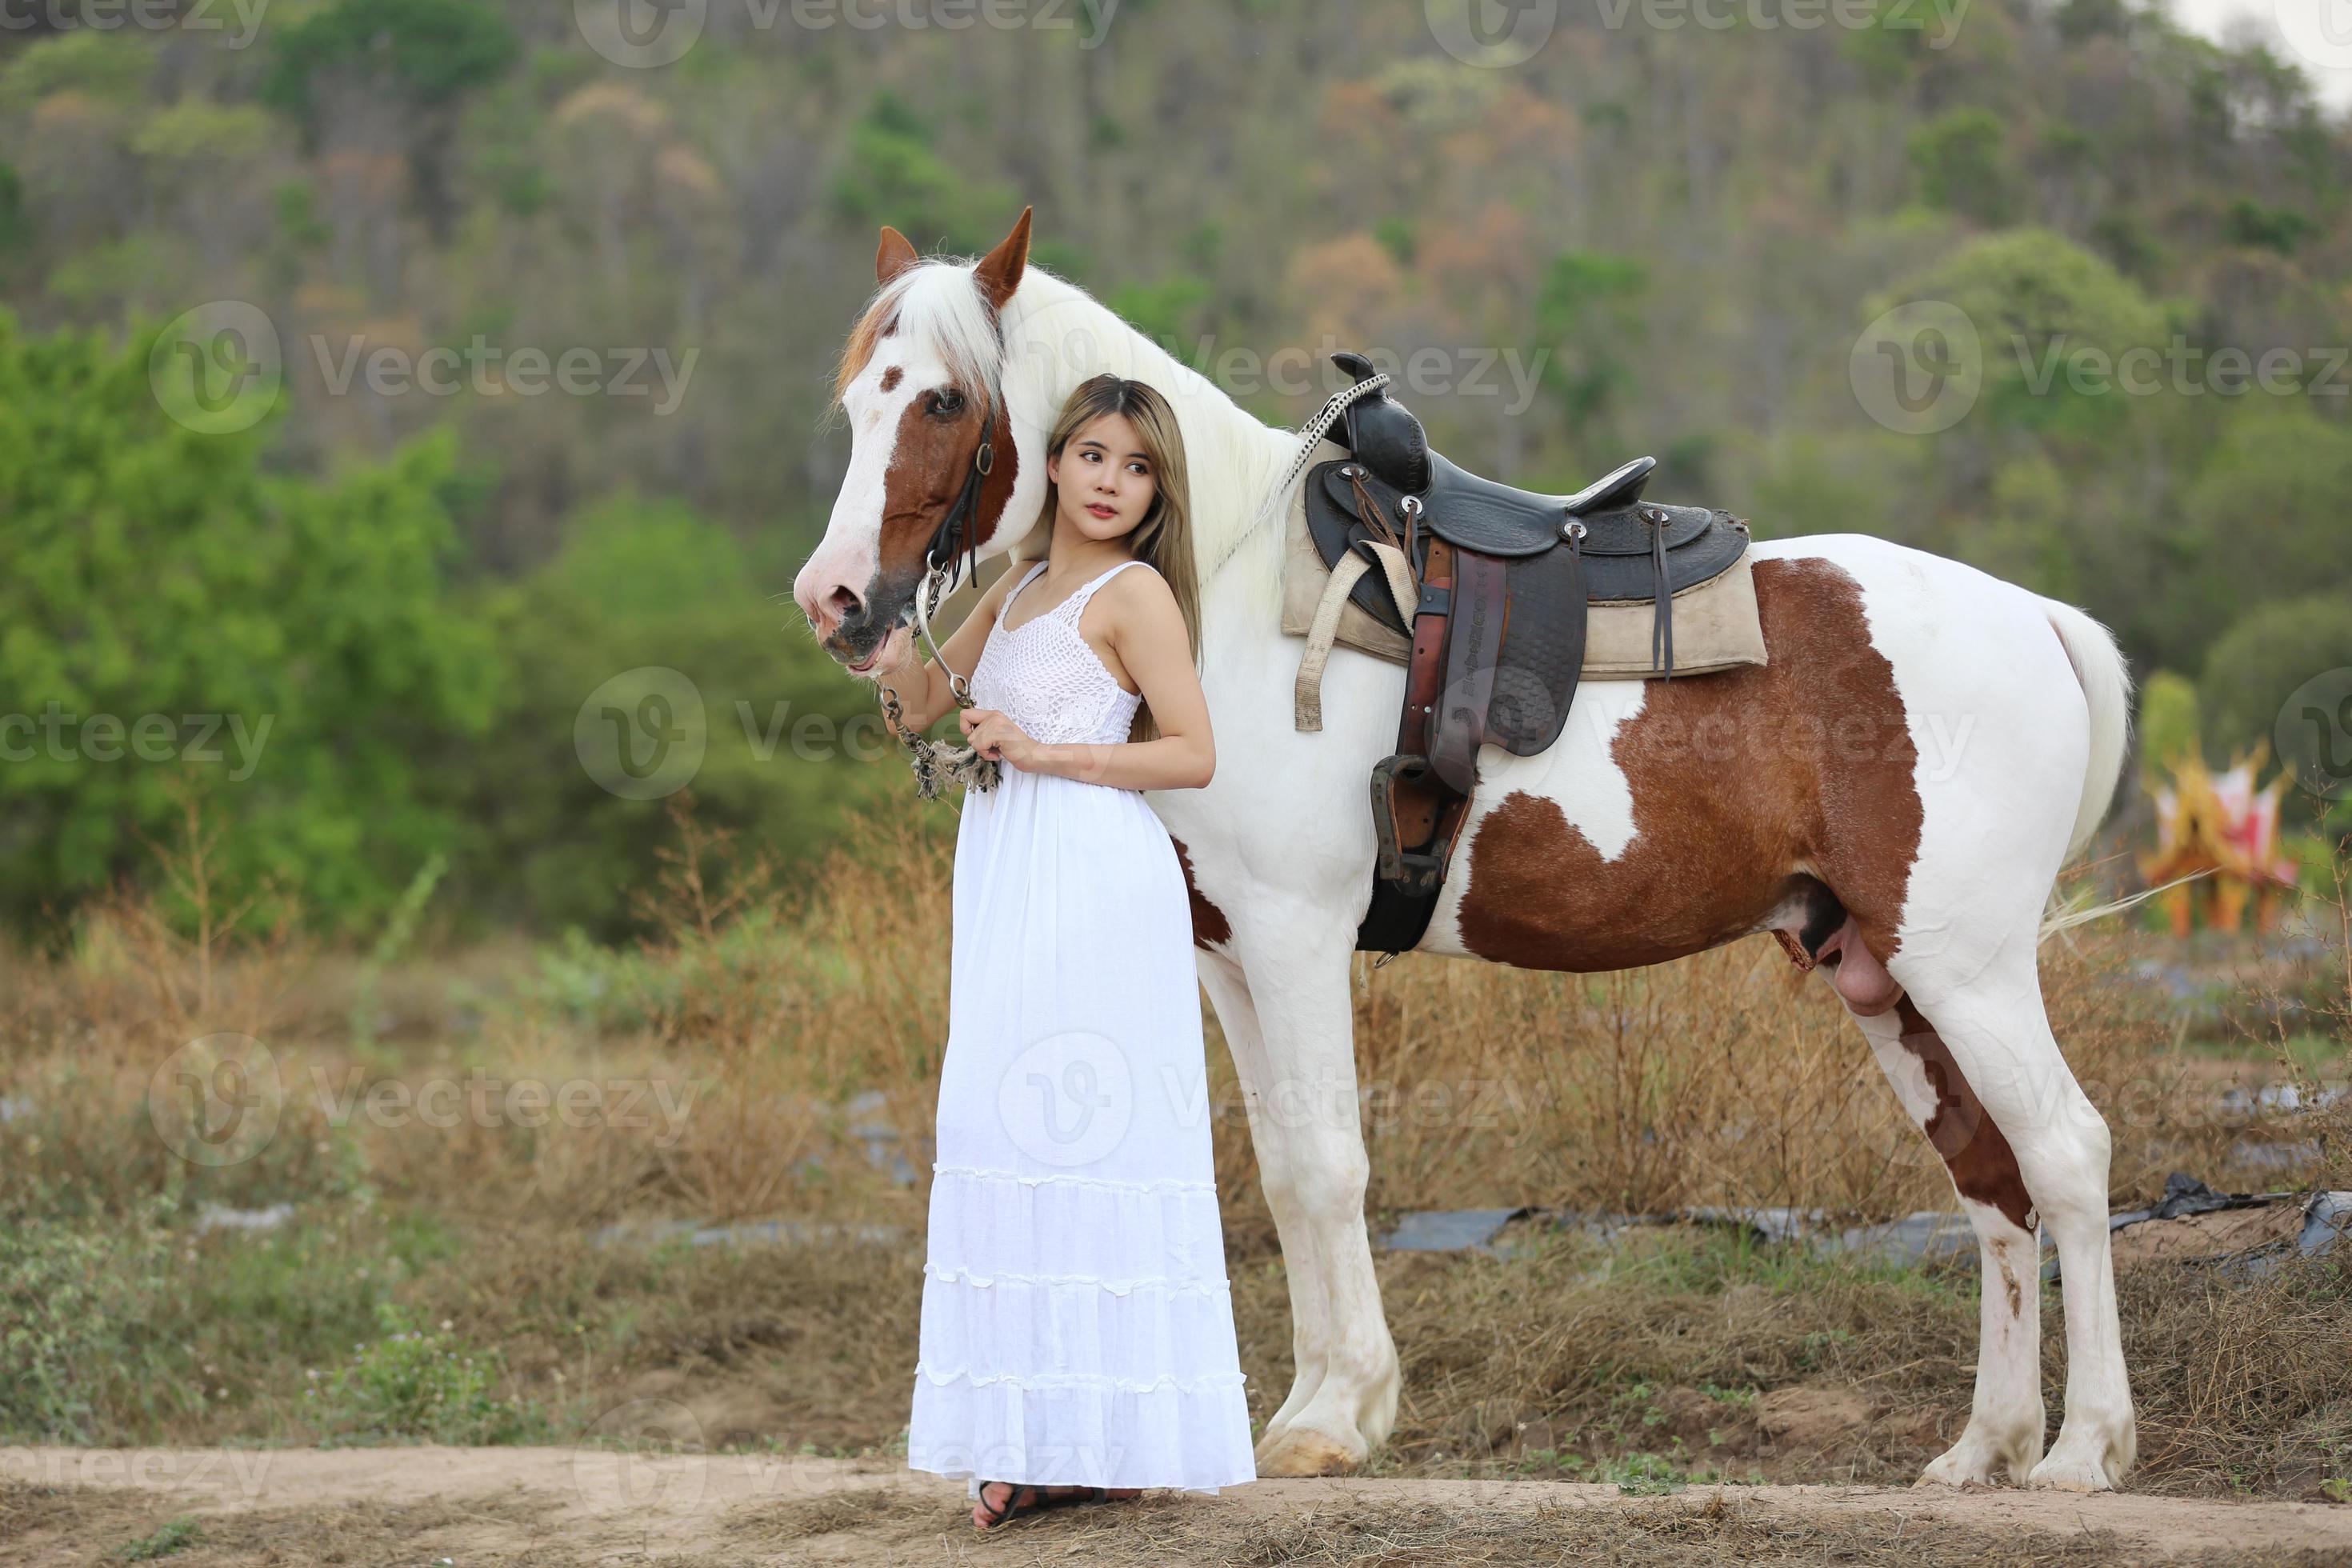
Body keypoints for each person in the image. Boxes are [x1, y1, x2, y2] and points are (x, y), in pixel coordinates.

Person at [869, 373, 1257, 1530]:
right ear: (1054, 462)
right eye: (1095, 455)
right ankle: (1039, 1434)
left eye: (1139, 468)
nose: (1113, 483)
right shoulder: (1019, 580)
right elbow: (926, 708)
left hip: (1092, 871)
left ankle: (1101, 1435)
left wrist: (1046, 753)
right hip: (1005, 872)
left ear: (1155, 493)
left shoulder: (1139, 598)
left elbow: (1192, 755)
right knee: (999, 1127)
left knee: (1083, 1136)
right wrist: (879, 643)